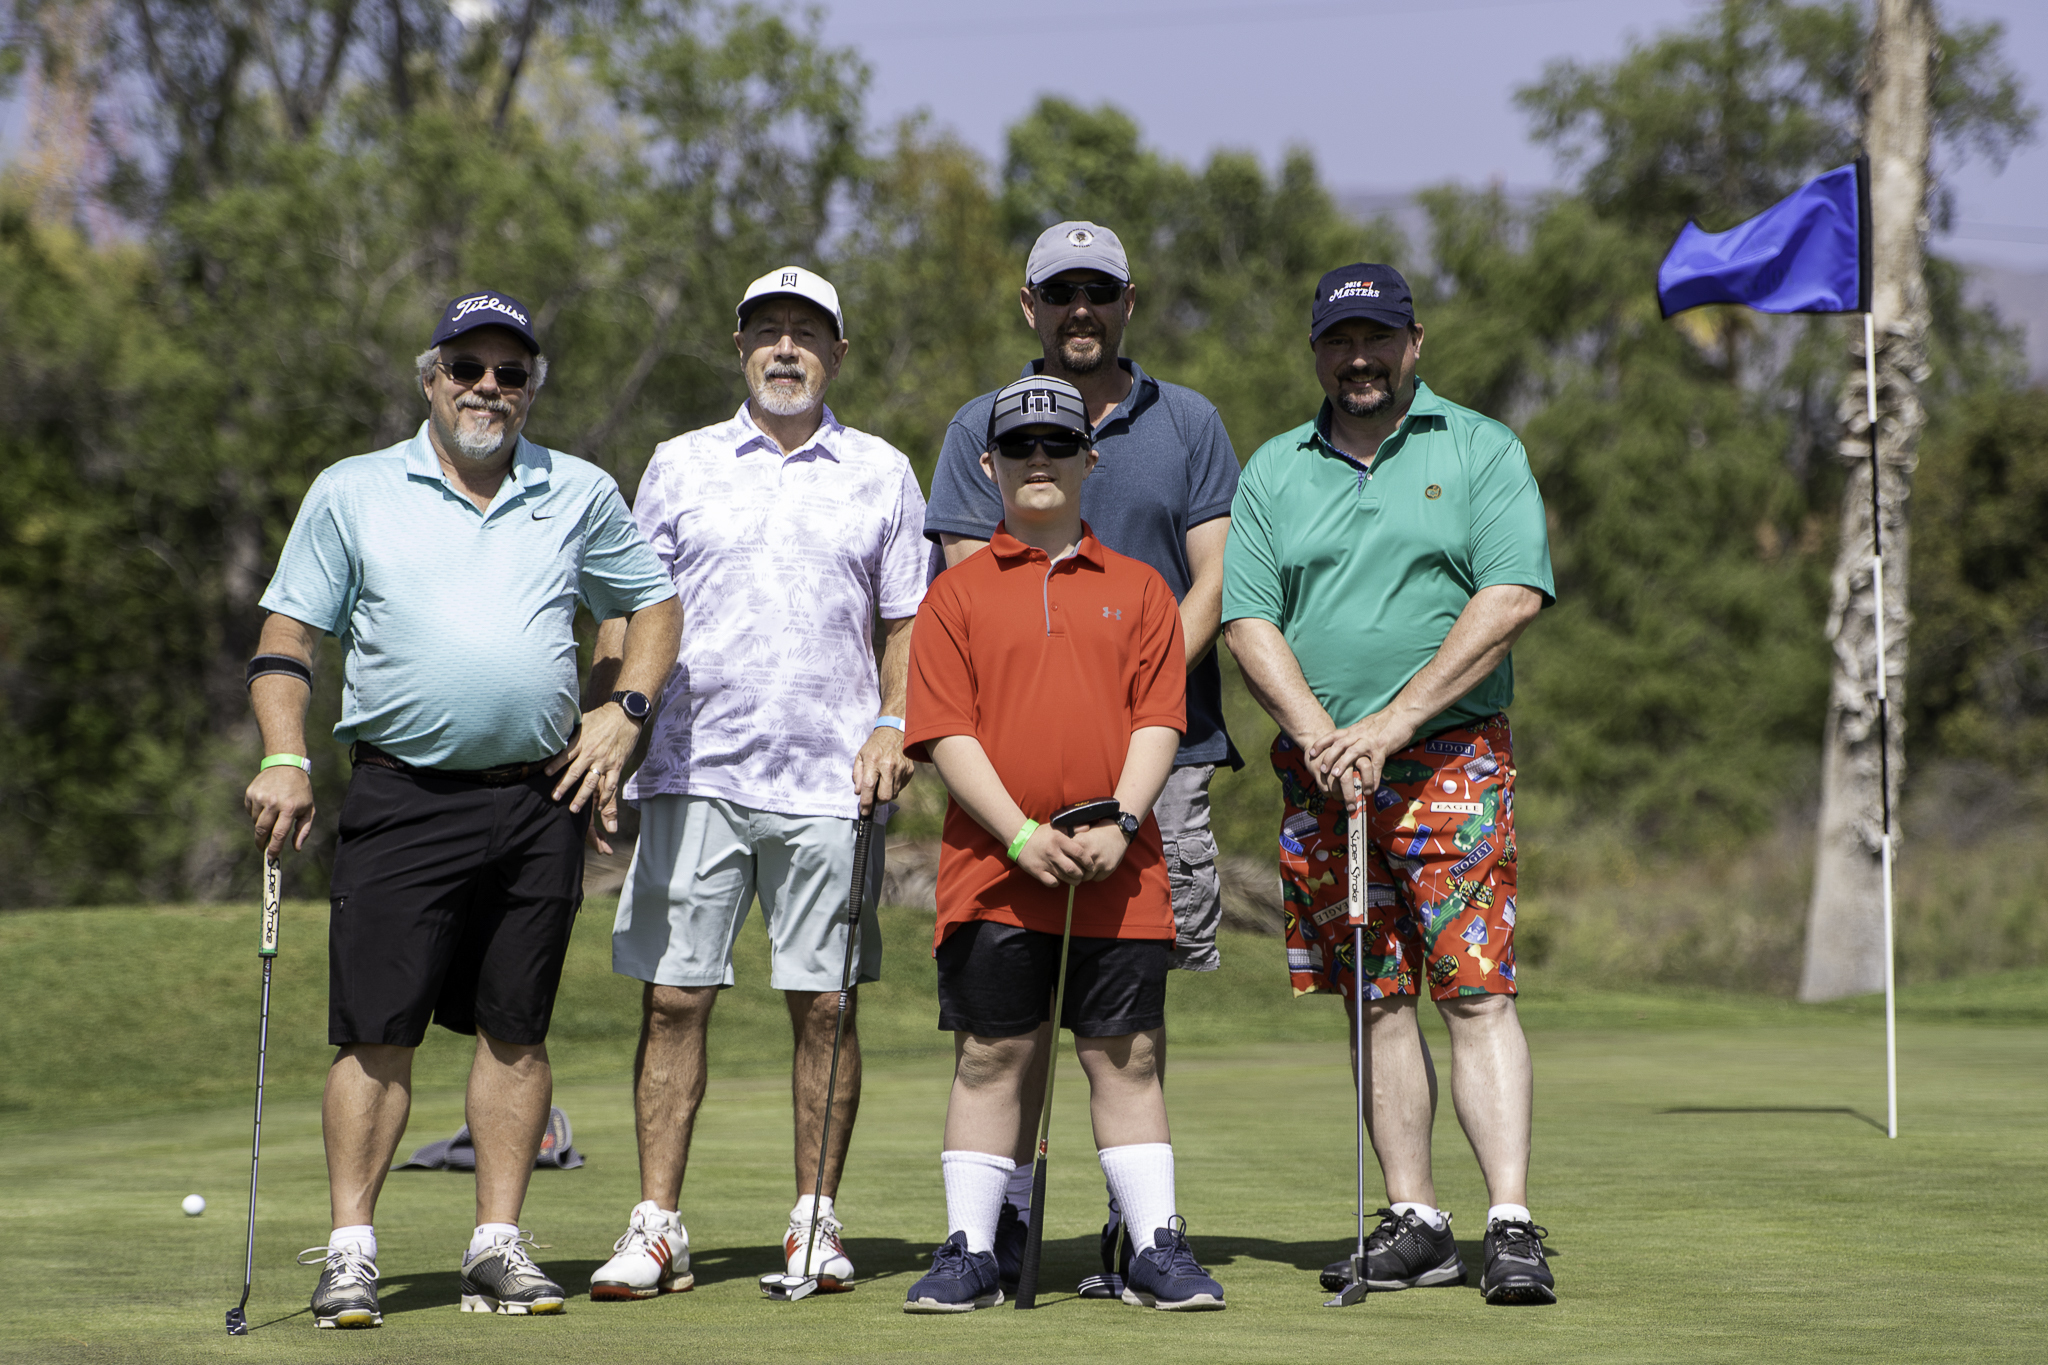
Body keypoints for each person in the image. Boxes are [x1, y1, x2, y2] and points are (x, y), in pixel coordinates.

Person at [241, 290, 683, 1329]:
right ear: (431, 378)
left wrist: (622, 713)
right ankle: (351, 1252)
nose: (488, 388)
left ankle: (496, 1244)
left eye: (510, 372)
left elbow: (653, 605)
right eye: (467, 368)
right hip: (402, 792)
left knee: (516, 1030)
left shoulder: (577, 489)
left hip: (538, 797)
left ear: (531, 387)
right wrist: (285, 755)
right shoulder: (354, 490)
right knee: (376, 1032)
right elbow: (286, 637)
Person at [588, 266, 927, 1300]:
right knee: (673, 1000)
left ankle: (814, 1221)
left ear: (837, 354)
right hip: (692, 770)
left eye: (806, 333)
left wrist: (894, 723)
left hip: (832, 780)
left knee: (825, 1004)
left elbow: (908, 622)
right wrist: (606, 727)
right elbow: (624, 606)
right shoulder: (678, 463)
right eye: (768, 331)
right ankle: (657, 1225)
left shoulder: (881, 471)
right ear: (740, 348)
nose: (786, 348)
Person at [1221, 263, 1557, 1306]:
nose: (1357, 358)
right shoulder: (1275, 469)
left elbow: (1510, 596)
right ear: (1316, 353)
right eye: (1339, 341)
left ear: (1414, 344)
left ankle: (1509, 1223)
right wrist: (1323, 736)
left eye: (1376, 338)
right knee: (1374, 996)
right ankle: (1417, 1221)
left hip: (1449, 759)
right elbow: (1247, 620)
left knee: (1474, 987)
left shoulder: (1478, 448)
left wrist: (1392, 722)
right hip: (1325, 772)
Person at [922, 220, 1240, 1293]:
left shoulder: (1143, 579)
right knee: (992, 1048)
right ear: (991, 463)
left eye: (1058, 449)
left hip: (1124, 841)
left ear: (1087, 462)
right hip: (996, 848)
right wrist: (1021, 829)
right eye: (1021, 449)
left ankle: (1148, 1243)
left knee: (1126, 1045)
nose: (1039, 461)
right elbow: (949, 719)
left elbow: (1159, 702)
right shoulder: (959, 592)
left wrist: (1121, 814)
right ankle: (977, 1246)